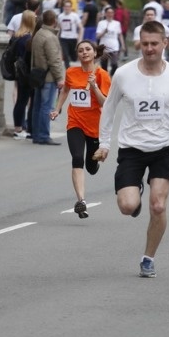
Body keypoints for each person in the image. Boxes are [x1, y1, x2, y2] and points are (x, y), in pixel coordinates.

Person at [93, 20, 169, 278]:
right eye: (145, 44)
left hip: (163, 147)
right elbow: (109, 109)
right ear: (139, 43)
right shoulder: (124, 74)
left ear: (164, 43)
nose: (149, 49)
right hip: (131, 148)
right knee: (128, 206)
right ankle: (135, 191)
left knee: (158, 206)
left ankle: (148, 258)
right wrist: (104, 144)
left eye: (154, 44)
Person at [50, 40, 111, 218]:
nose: (84, 52)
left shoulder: (102, 75)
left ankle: (95, 163)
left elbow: (105, 104)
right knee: (77, 158)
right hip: (75, 122)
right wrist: (57, 109)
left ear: (94, 53)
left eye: (87, 49)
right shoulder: (71, 72)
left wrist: (94, 86)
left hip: (94, 127)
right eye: (81, 50)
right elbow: (65, 91)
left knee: (91, 167)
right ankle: (81, 201)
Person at [30, 9, 66, 145]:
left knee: (37, 106)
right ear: (54, 21)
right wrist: (60, 78)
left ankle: (36, 134)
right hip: (48, 77)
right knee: (46, 107)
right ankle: (44, 135)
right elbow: (54, 60)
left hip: (38, 74)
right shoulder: (50, 37)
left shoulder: (39, 33)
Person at [10, 10, 37, 139]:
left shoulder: (17, 35)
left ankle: (18, 127)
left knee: (21, 99)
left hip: (18, 71)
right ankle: (19, 128)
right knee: (24, 100)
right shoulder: (28, 38)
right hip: (26, 72)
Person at [57, 0, 83, 65]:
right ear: (63, 7)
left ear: (71, 7)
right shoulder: (60, 16)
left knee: (74, 57)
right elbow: (58, 28)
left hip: (73, 38)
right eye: (65, 6)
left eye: (68, 6)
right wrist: (57, 37)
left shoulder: (75, 16)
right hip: (63, 38)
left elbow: (81, 28)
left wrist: (79, 39)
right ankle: (67, 71)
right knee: (65, 56)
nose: (67, 8)